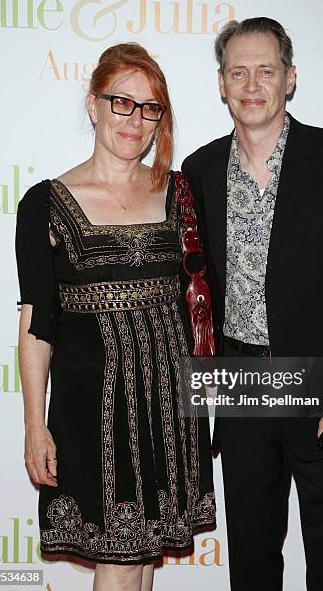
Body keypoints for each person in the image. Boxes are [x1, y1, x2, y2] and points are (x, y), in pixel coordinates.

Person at [182, 17, 323, 590]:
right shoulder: (197, 173)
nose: (252, 84)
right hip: (240, 385)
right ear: (221, 84)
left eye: (266, 70)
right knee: (250, 558)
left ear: (290, 79)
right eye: (237, 71)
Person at [16, 42, 216, 591]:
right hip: (94, 413)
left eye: (150, 107)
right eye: (121, 102)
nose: (135, 119)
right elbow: (37, 325)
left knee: (140, 565)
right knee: (123, 568)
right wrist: (36, 425)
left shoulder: (179, 193)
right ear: (93, 104)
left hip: (170, 407)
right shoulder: (46, 203)